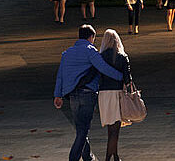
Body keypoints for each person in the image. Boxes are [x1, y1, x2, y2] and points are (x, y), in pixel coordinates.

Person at [53, 23, 124, 161]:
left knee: (80, 128)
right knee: (84, 129)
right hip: (87, 94)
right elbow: (103, 68)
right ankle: (73, 157)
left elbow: (60, 75)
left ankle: (88, 156)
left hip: (72, 95)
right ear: (91, 37)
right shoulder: (90, 51)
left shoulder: (67, 53)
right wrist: (122, 78)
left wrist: (58, 95)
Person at [96, 30, 133, 161]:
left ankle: (115, 156)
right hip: (116, 93)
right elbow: (128, 80)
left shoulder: (99, 57)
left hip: (103, 94)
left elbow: (97, 77)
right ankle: (108, 157)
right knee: (115, 129)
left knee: (110, 128)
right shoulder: (122, 57)